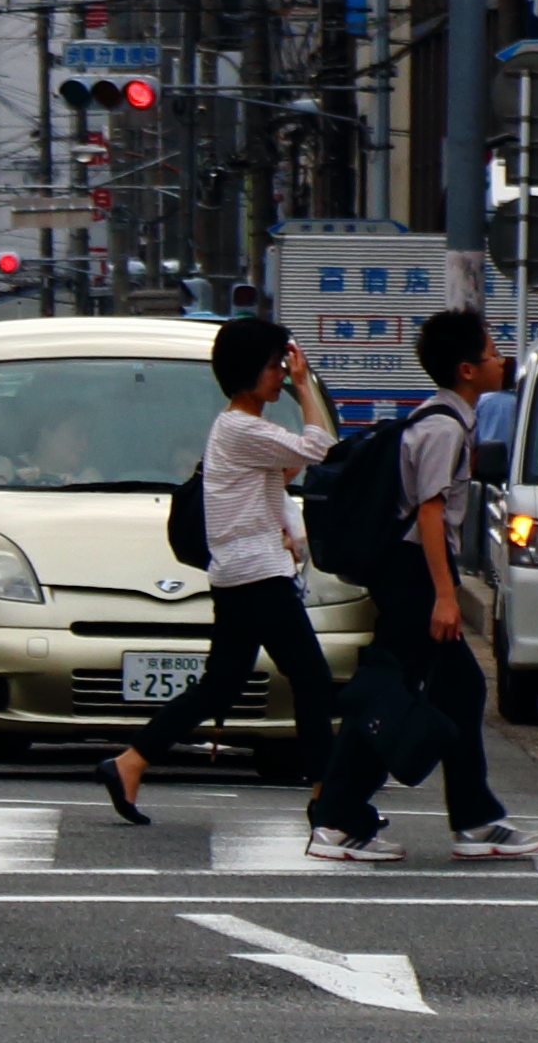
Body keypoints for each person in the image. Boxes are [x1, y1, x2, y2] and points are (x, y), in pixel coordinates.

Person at [96, 314, 343, 843]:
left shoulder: (240, 431)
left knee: (221, 685)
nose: (281, 374)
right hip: (255, 577)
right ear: (248, 371)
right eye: (274, 366)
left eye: (284, 366)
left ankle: (130, 764)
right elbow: (322, 449)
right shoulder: (241, 427)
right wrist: (305, 386)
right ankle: (327, 798)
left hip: (241, 573)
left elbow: (288, 471)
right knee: (312, 680)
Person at [307, 307, 538, 864]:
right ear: (465, 369)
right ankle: (338, 818)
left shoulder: (443, 418)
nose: (500, 360)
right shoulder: (441, 427)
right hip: (414, 579)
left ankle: (473, 819)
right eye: (490, 353)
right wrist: (444, 595)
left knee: (456, 691)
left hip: (412, 576)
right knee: (390, 699)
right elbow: (431, 514)